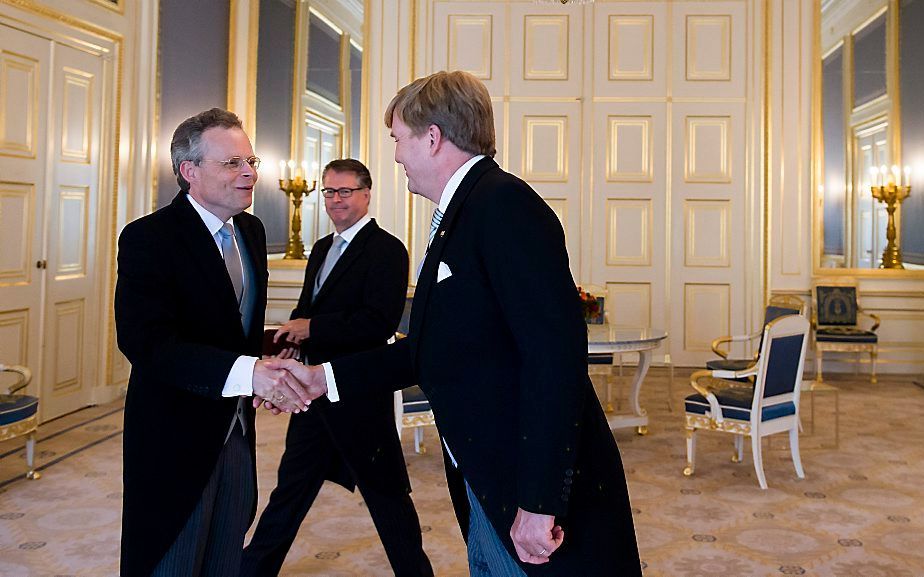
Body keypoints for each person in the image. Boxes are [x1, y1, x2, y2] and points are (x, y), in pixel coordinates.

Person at [265, 71, 642, 575]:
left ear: (433, 137)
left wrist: (539, 501)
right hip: (485, 473)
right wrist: (321, 379)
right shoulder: (461, 213)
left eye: (399, 139)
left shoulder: (504, 205)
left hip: (523, 485)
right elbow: (425, 349)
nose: (396, 155)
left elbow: (554, 361)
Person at [115, 108, 312, 577]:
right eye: (232, 163)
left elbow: (234, 330)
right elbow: (147, 343)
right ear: (189, 171)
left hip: (237, 433)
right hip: (173, 438)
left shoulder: (251, 231)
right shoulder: (149, 238)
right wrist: (250, 375)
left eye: (251, 161)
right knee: (173, 560)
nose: (249, 173)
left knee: (226, 558)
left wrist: (267, 373)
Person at [241, 159, 433, 576]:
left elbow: (377, 322)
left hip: (358, 394)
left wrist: (311, 327)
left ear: (366, 194)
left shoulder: (387, 250)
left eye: (345, 191)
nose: (335, 200)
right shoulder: (323, 248)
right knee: (289, 491)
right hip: (312, 397)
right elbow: (306, 308)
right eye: (328, 192)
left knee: (387, 497)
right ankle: (250, 571)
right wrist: (292, 342)